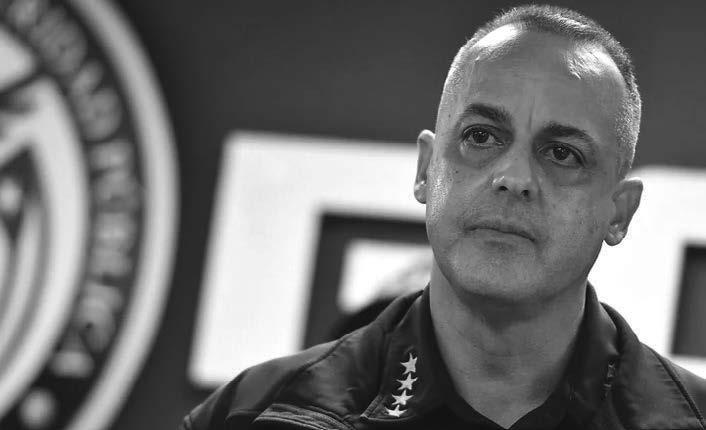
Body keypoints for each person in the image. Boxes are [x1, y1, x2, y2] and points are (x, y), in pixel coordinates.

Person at [181, 5, 706, 429]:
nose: (513, 177)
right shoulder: (251, 417)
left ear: (620, 212)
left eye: (562, 153)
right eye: (481, 136)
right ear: (426, 170)